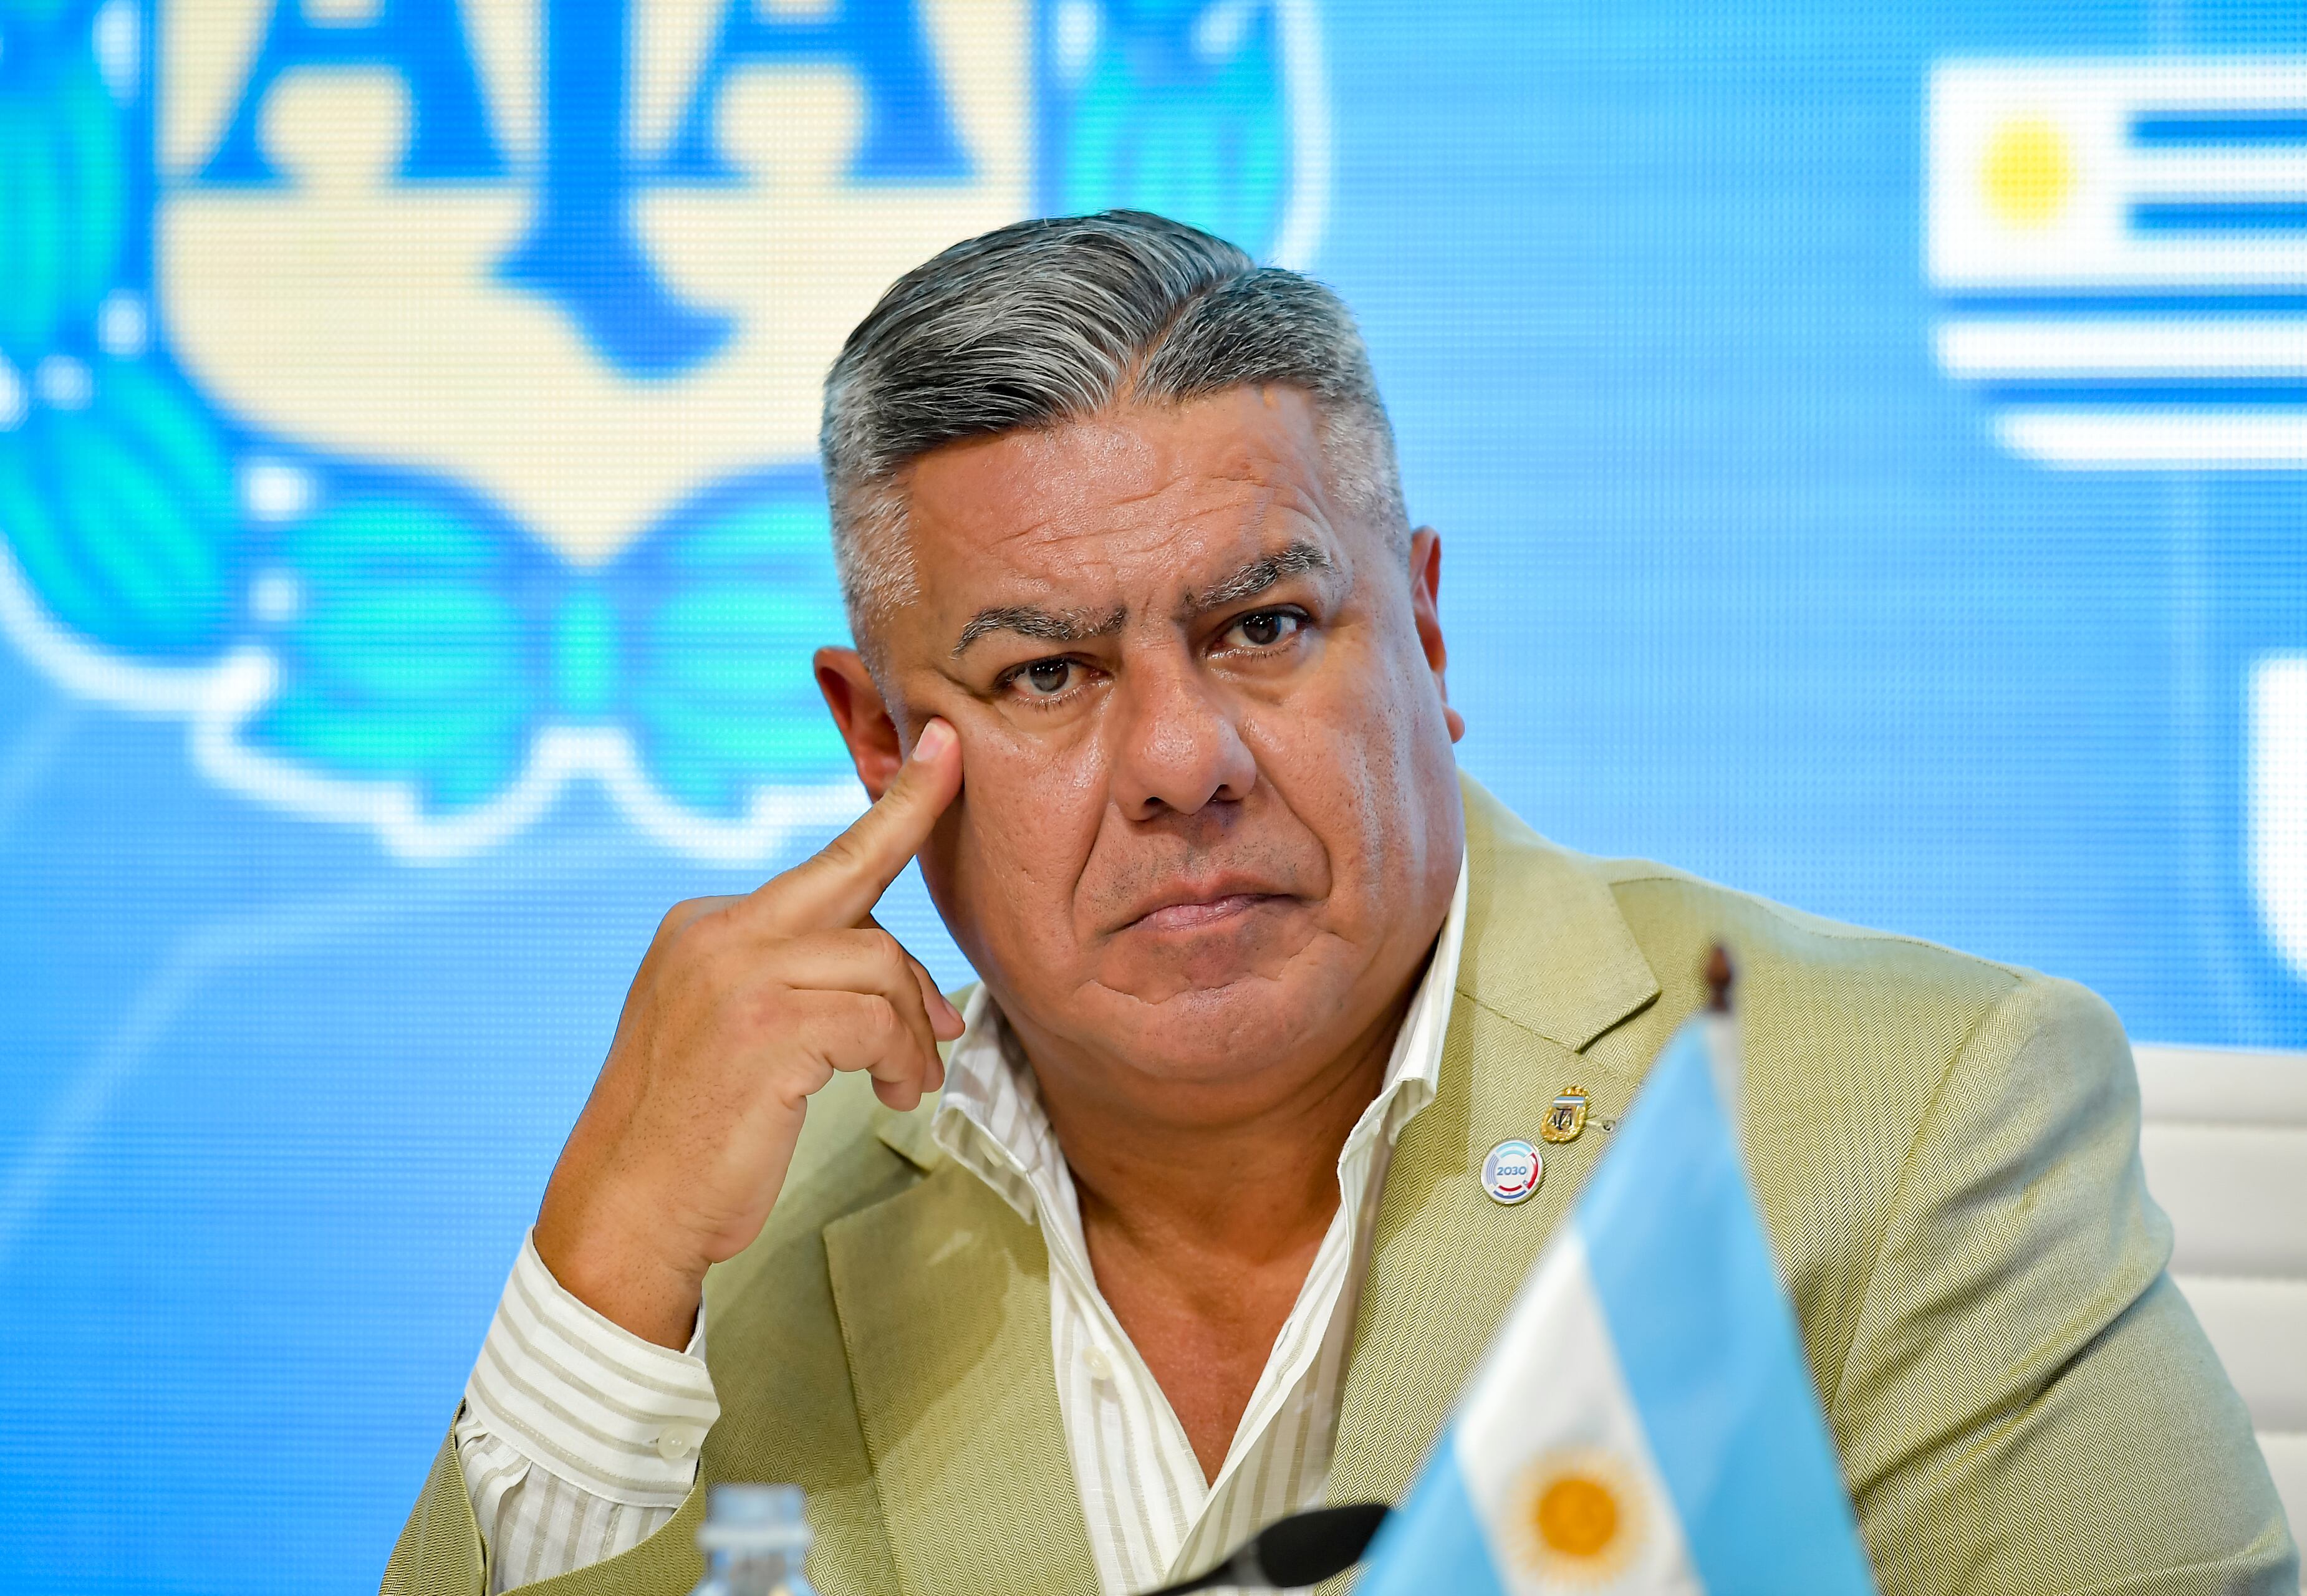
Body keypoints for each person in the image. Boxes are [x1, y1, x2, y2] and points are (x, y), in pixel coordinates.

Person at [386, 212, 2295, 1596]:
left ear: (1428, 630)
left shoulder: (1905, 1118)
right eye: (1046, 673)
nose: (1183, 760)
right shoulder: (703, 1272)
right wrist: (602, 1271)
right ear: (880, 743)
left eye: (1265, 626)